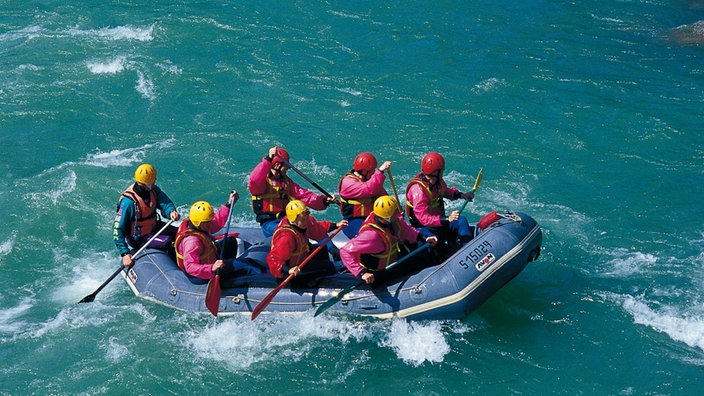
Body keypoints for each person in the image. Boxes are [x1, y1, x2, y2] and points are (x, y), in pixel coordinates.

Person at [340, 196, 438, 284]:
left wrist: (423, 237)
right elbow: (345, 251)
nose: (399, 213)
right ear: (387, 218)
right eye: (396, 211)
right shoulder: (371, 236)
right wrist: (362, 273)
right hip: (378, 273)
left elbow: (406, 229)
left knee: (424, 252)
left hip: (394, 261)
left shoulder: (394, 220)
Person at [249, 146, 337, 237]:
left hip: (286, 219)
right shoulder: (262, 183)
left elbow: (304, 196)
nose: (288, 169)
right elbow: (255, 179)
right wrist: (269, 158)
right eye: (285, 167)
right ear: (277, 165)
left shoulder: (286, 182)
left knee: (316, 229)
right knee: (288, 233)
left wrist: (324, 201)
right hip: (269, 223)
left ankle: (333, 250)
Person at [174, 191, 261, 282]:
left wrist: (229, 204)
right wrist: (212, 267)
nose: (209, 224)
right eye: (207, 222)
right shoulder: (192, 242)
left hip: (209, 260)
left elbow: (216, 222)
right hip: (200, 275)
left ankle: (229, 271)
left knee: (231, 242)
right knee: (244, 265)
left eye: (209, 221)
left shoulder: (198, 224)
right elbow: (190, 266)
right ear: (198, 222)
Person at [405, 152, 475, 254]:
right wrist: (447, 219)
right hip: (424, 228)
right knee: (434, 242)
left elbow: (445, 191)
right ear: (435, 172)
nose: (443, 172)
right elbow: (423, 218)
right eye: (441, 171)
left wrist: (461, 195)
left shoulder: (437, 182)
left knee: (461, 220)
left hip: (438, 223)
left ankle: (468, 251)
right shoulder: (418, 190)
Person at [113, 163, 180, 267]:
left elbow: (165, 203)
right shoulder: (128, 202)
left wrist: (171, 211)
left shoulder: (153, 190)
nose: (154, 184)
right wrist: (125, 253)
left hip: (154, 227)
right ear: (145, 184)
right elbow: (117, 229)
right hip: (138, 237)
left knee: (181, 233)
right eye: (152, 182)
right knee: (168, 242)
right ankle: (177, 269)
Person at [266, 200, 348, 285]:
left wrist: (335, 225)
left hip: (302, 259)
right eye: (303, 220)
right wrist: (288, 270)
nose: (306, 222)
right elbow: (273, 259)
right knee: (328, 266)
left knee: (322, 250)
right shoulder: (286, 237)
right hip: (292, 271)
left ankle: (331, 270)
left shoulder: (304, 222)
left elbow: (317, 228)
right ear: (294, 220)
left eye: (306, 218)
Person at [338, 152, 392, 238]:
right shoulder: (348, 183)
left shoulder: (371, 181)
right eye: (372, 170)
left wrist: (396, 211)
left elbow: (385, 198)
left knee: (393, 230)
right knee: (371, 236)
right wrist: (380, 171)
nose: (374, 172)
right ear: (363, 171)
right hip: (353, 221)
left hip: (372, 218)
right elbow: (368, 189)